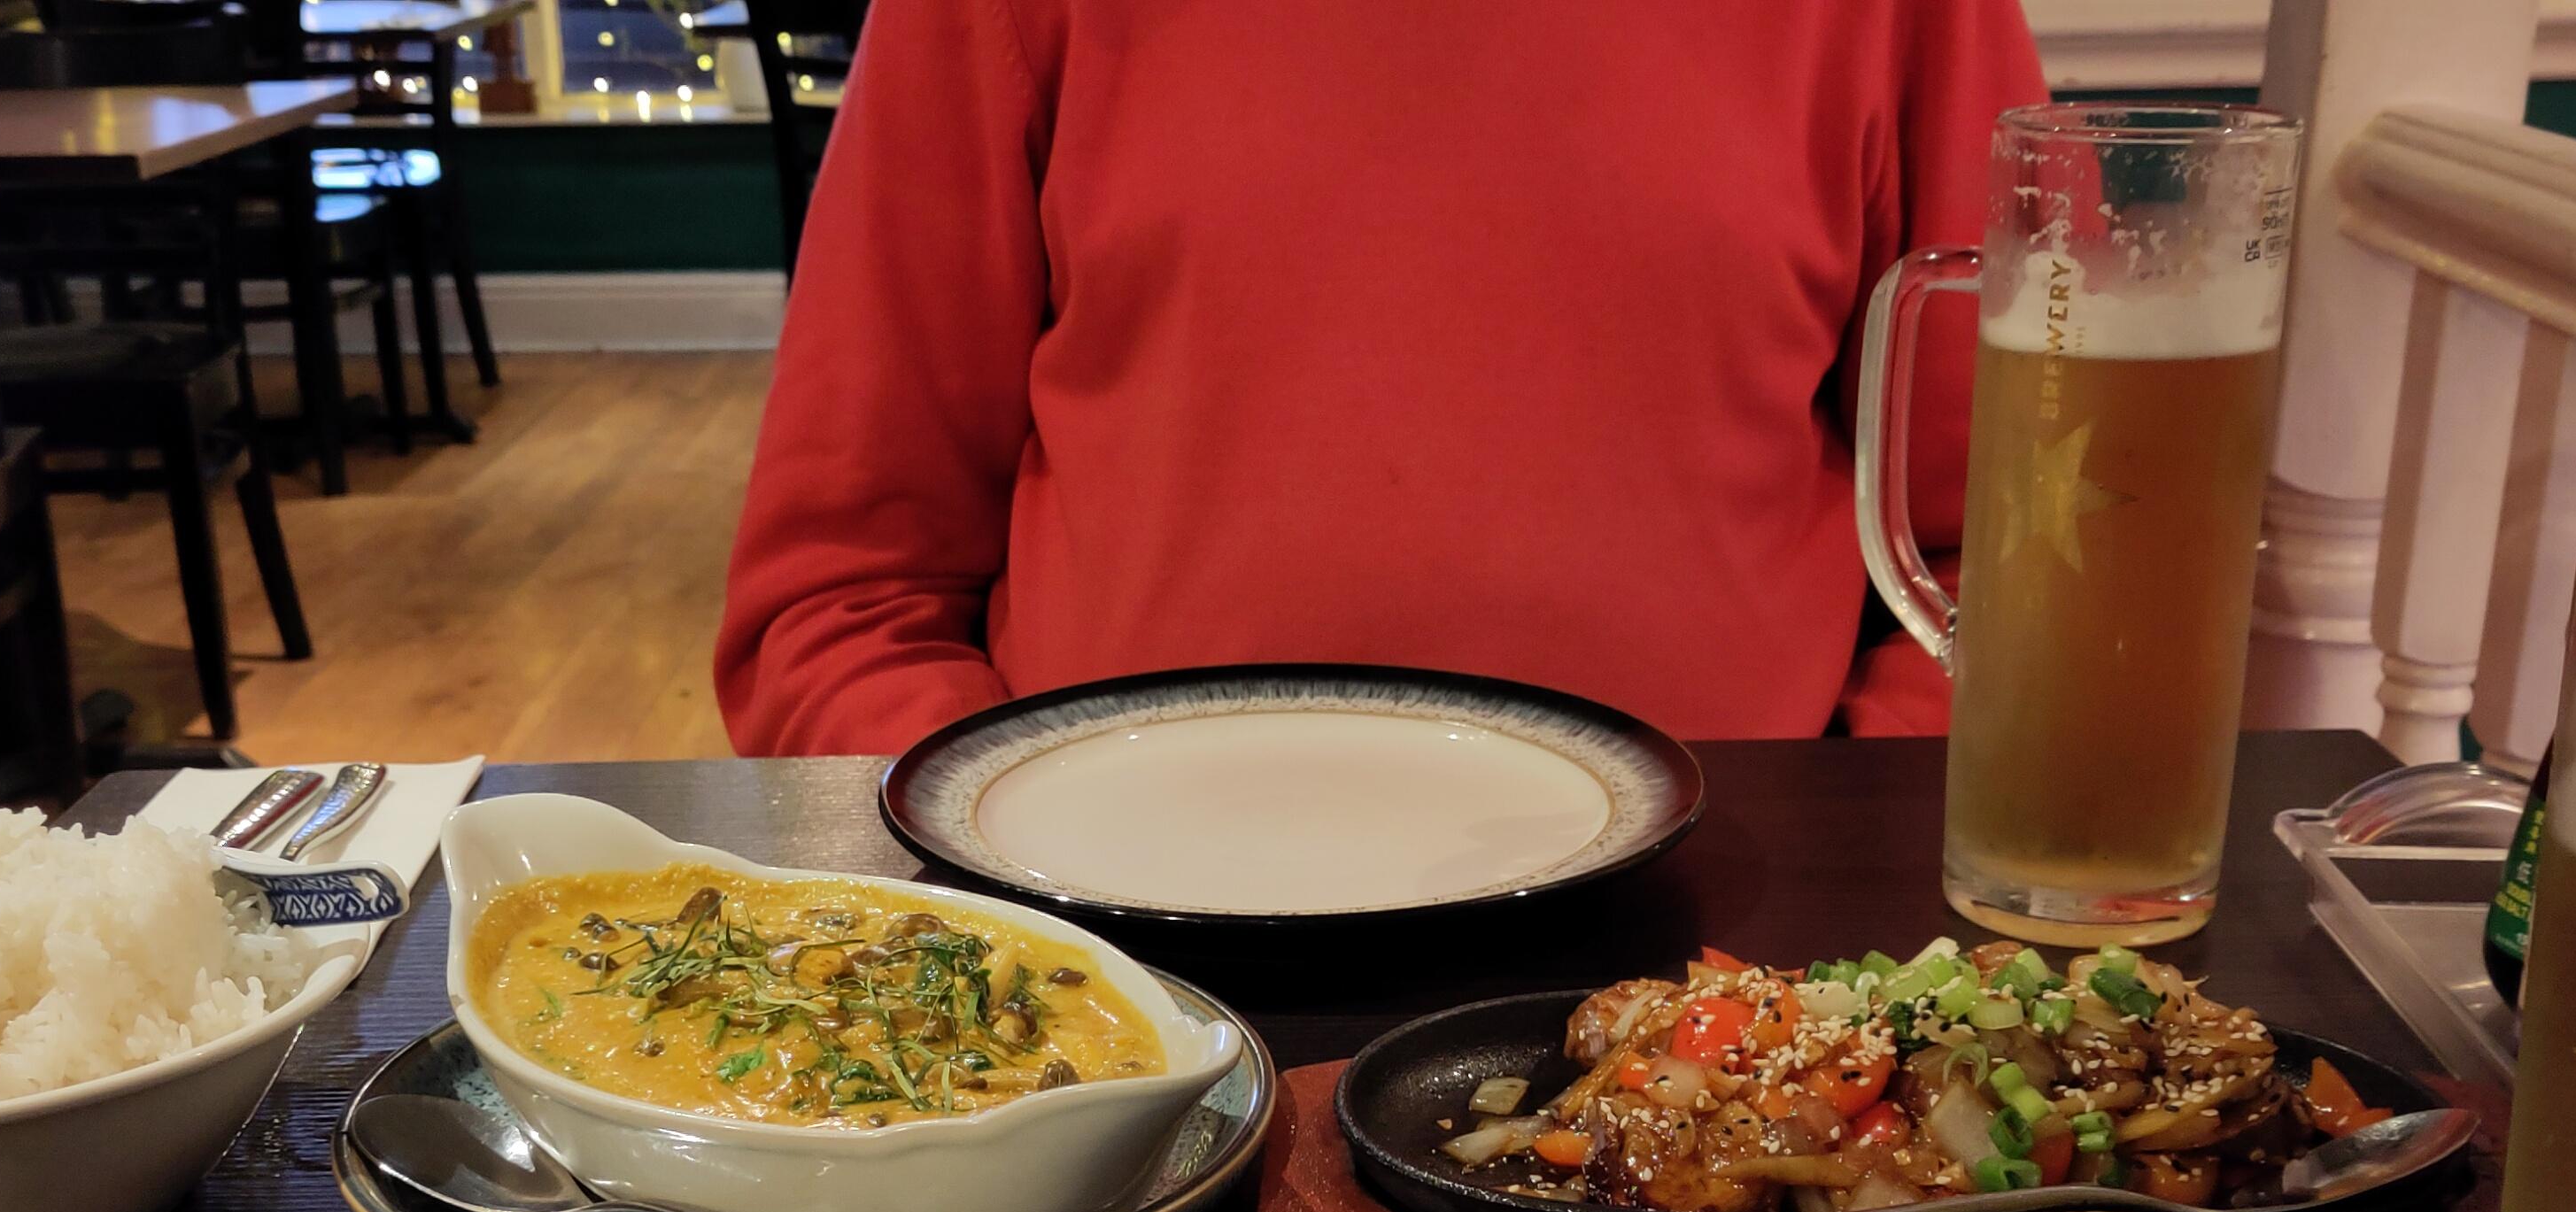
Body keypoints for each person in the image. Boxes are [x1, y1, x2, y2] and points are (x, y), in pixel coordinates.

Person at [716, 0, 2045, 756]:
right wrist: (1016, 903)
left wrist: (1830, 875)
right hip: (1127, 976)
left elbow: (2024, 566)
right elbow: (842, 599)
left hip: (1740, 979)